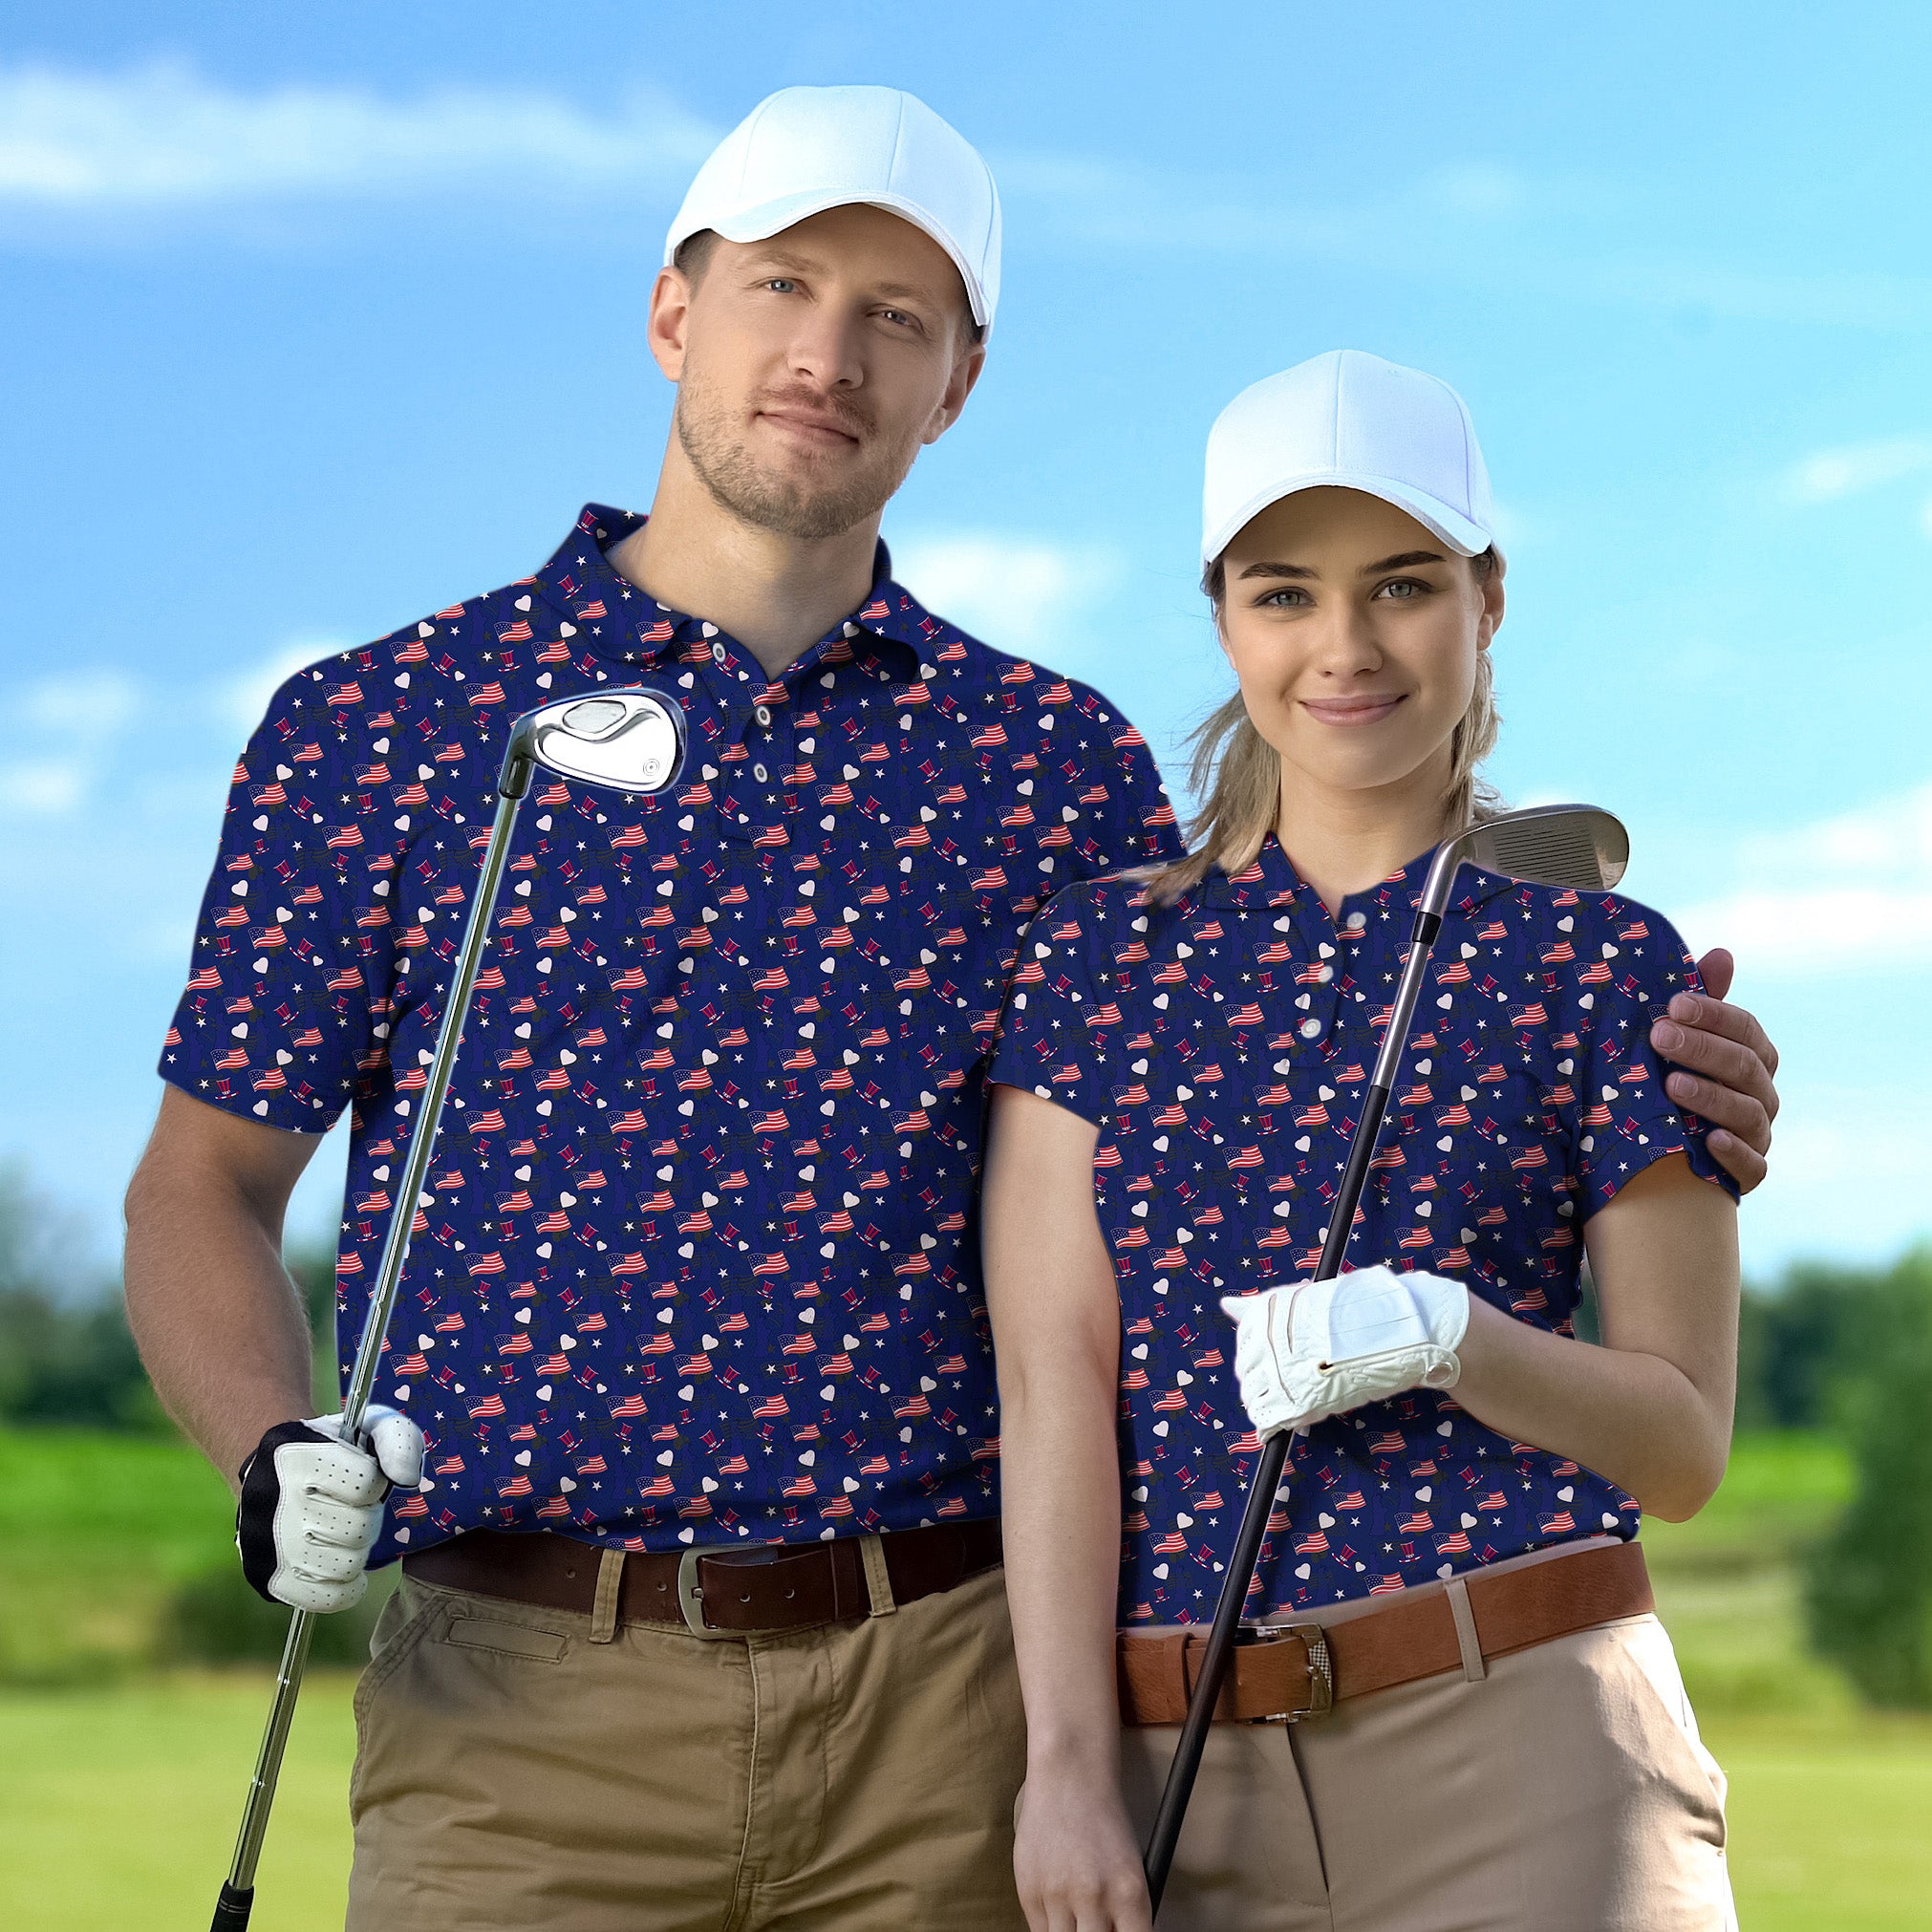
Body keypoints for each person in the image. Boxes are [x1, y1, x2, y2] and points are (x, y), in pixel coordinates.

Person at [118, 83, 1777, 1929]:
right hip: (515, 1711)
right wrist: (272, 1451)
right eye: (781, 287)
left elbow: (1248, 1115)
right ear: (674, 310)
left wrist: (1624, 1056)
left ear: (959, 379)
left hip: (947, 1703)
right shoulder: (389, 727)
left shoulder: (1051, 766)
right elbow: (201, 1186)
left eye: (894, 316)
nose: (826, 354)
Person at [985, 351, 1748, 1930]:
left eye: (1400, 585)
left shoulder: (1599, 959)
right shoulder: (1096, 963)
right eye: (1283, 594)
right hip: (1181, 1770)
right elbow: (1053, 1384)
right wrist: (1062, 1763)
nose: (1342, 647)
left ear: (1484, 600)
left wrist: (1447, 1335)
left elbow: (1677, 1448)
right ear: (1221, 618)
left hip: (1528, 1733)